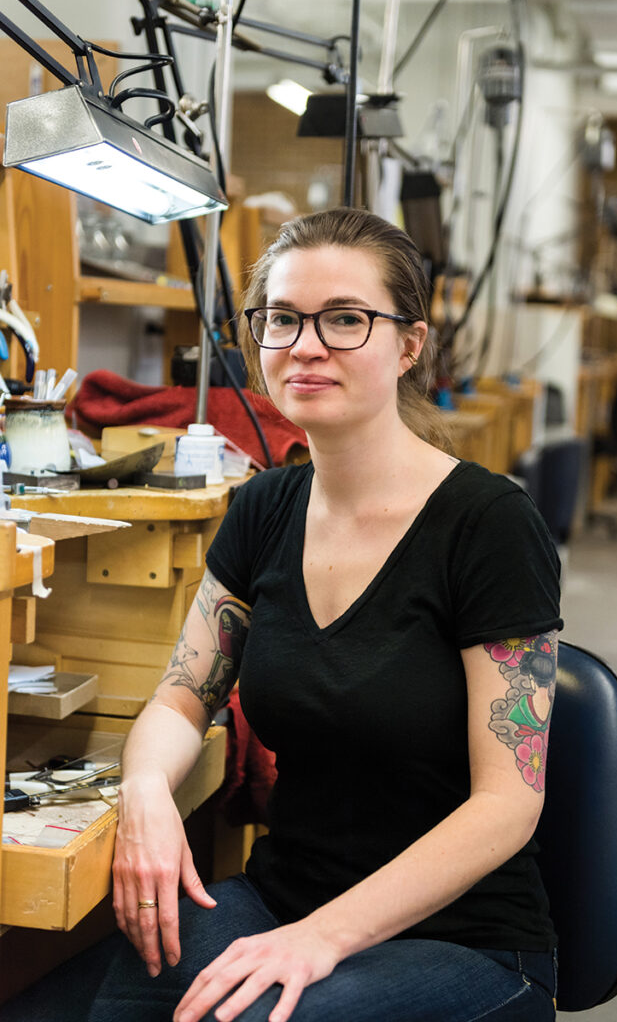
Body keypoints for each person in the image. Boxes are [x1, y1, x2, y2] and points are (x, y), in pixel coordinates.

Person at [4, 208, 562, 1022]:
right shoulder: (264, 507)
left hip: (462, 938)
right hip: (283, 897)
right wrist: (147, 793)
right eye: (282, 319)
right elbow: (180, 697)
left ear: (408, 344)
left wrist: (323, 938)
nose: (305, 346)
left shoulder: (488, 526)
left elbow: (507, 803)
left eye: (345, 319)